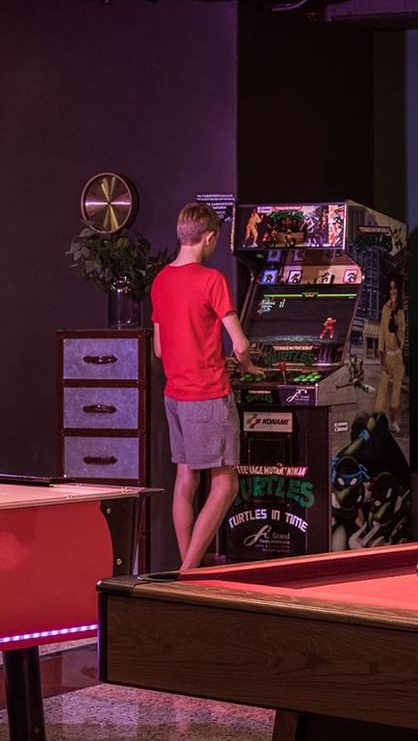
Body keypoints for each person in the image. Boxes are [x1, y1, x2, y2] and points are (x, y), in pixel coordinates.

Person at [150, 202, 264, 569]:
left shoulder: (161, 280)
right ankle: (189, 571)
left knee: (186, 479)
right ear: (210, 237)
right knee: (225, 485)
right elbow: (241, 343)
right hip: (208, 393)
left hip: (176, 395)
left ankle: (188, 567)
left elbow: (159, 347)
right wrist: (249, 366)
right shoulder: (211, 280)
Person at [376, 276, 406, 434]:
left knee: (396, 392)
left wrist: (396, 331)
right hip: (387, 355)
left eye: (395, 288)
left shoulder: (400, 311)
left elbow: (403, 335)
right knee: (382, 390)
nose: (393, 291)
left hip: (397, 357)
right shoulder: (385, 308)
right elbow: (381, 331)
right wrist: (382, 357)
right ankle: (378, 422)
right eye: (390, 288)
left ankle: (393, 421)